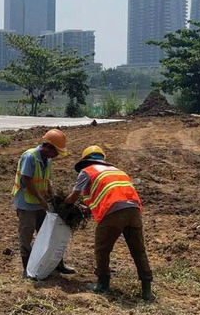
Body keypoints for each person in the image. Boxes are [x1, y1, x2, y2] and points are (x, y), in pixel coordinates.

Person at [62, 145, 154, 301]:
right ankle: (147, 290)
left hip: (114, 214)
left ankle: (103, 284)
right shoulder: (118, 171)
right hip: (134, 211)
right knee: (138, 251)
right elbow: (111, 194)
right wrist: (90, 208)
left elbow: (72, 198)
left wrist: (62, 204)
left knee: (102, 249)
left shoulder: (87, 171)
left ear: (85, 160)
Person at [12, 129, 75, 277]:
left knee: (48, 234)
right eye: (56, 151)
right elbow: (27, 181)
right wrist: (41, 200)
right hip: (27, 203)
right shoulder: (30, 157)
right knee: (26, 235)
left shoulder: (48, 160)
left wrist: (53, 199)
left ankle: (56, 264)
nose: (57, 155)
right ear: (48, 147)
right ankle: (27, 269)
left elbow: (46, 182)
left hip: (40, 204)